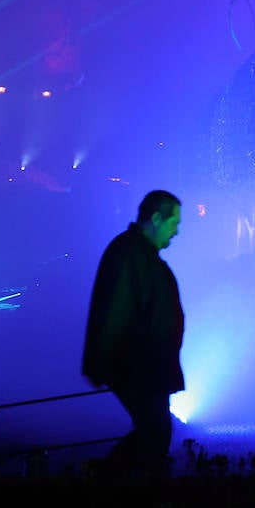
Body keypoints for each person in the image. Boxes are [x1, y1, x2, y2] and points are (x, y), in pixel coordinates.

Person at [81, 189, 185, 476]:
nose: (176, 232)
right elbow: (115, 309)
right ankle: (108, 480)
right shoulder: (131, 255)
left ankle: (109, 479)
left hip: (145, 365)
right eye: (173, 223)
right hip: (138, 365)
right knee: (156, 431)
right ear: (156, 218)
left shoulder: (135, 254)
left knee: (153, 431)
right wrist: (102, 360)